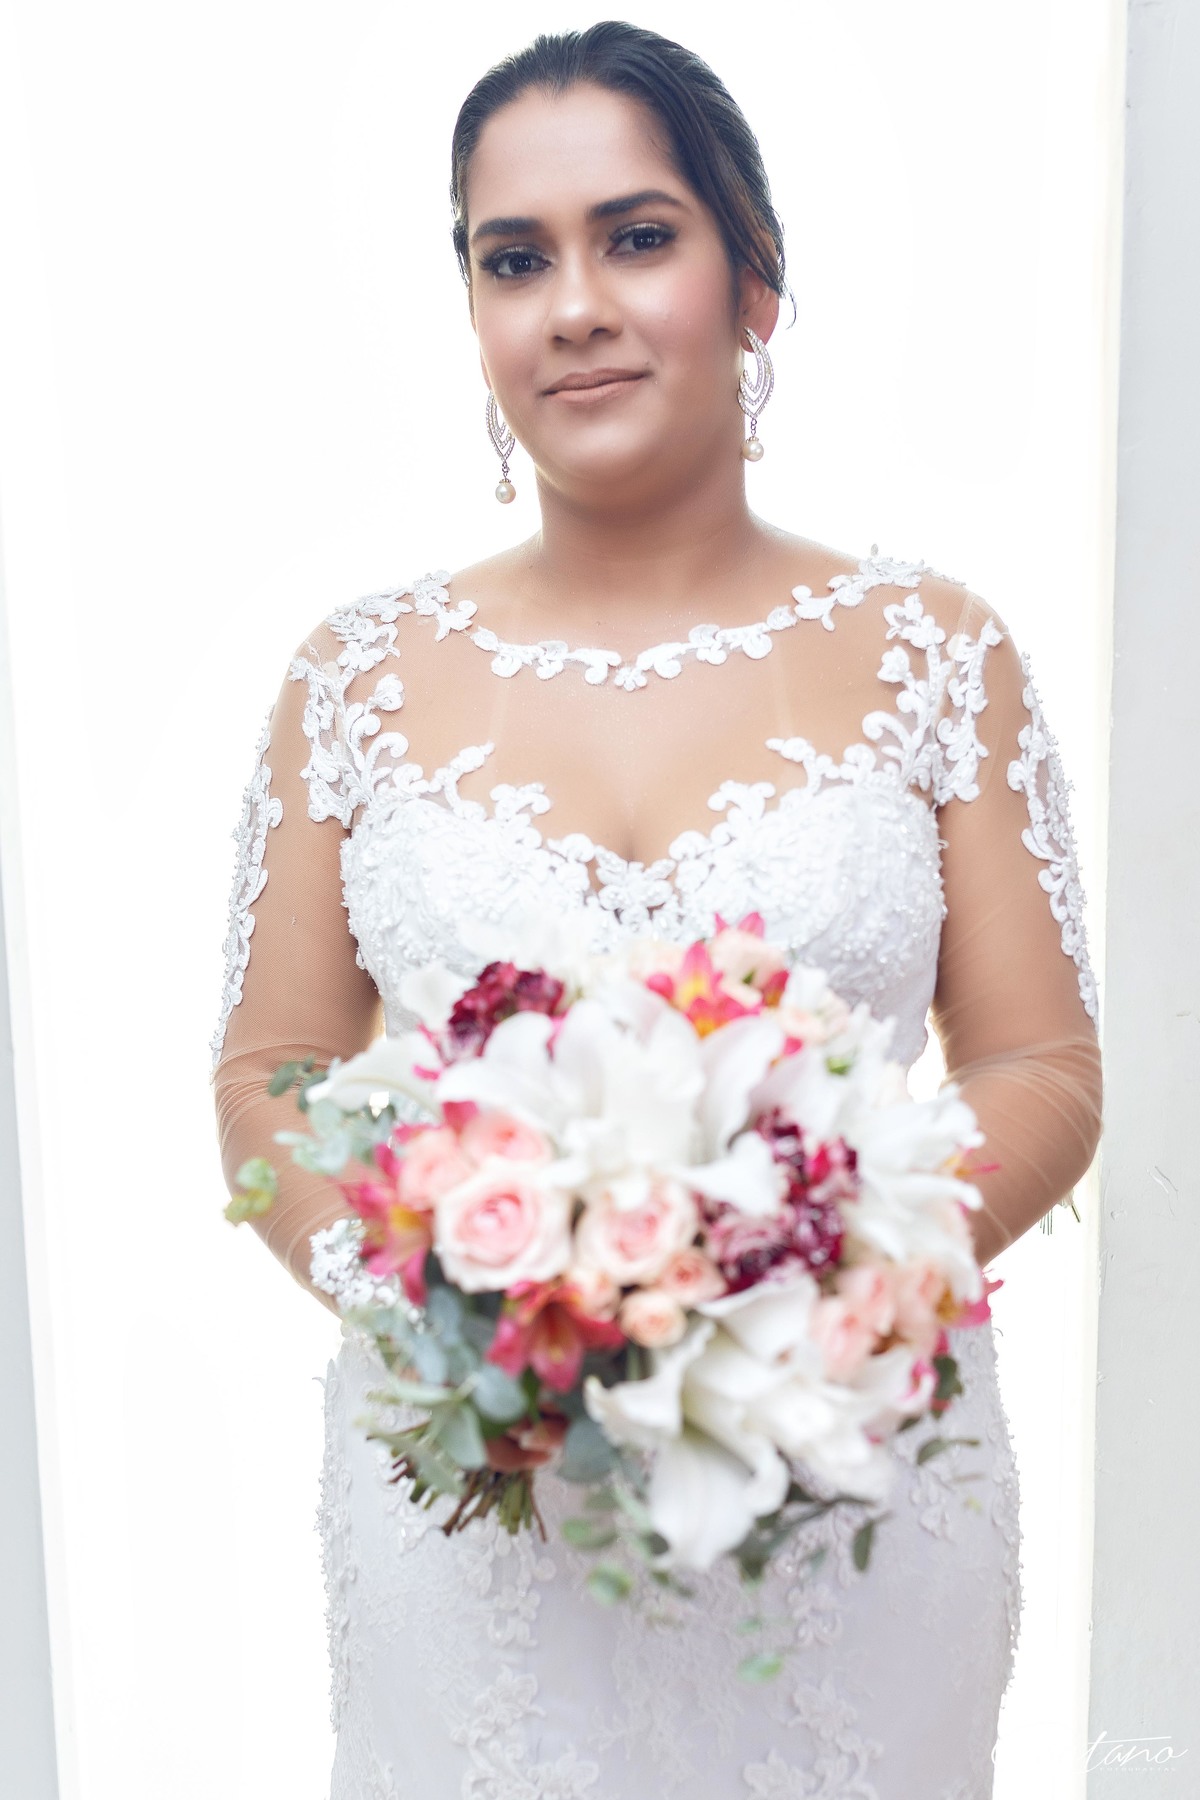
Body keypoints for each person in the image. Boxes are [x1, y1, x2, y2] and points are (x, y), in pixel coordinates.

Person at [211, 21, 1103, 1798]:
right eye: (513, 259)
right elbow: (273, 1069)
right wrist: (456, 1312)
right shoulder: (353, 679)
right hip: (477, 1513)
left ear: (755, 278)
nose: (574, 307)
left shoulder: (937, 653)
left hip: (851, 1492)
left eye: (636, 237)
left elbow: (1041, 1064)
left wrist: (811, 1287)